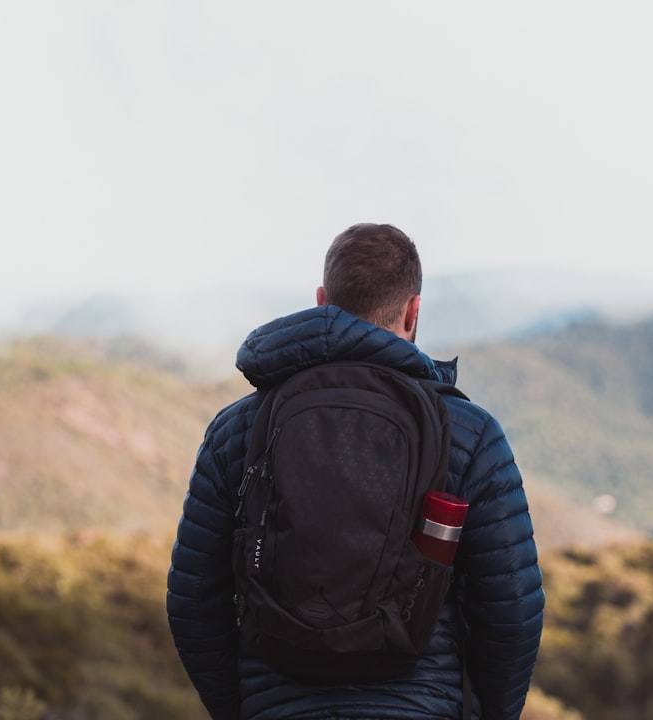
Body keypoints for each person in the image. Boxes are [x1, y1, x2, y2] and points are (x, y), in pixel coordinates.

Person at [167, 223, 544, 720]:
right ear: (414, 310)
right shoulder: (471, 434)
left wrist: (242, 708)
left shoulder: (236, 430)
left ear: (323, 302)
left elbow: (193, 602)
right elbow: (511, 611)